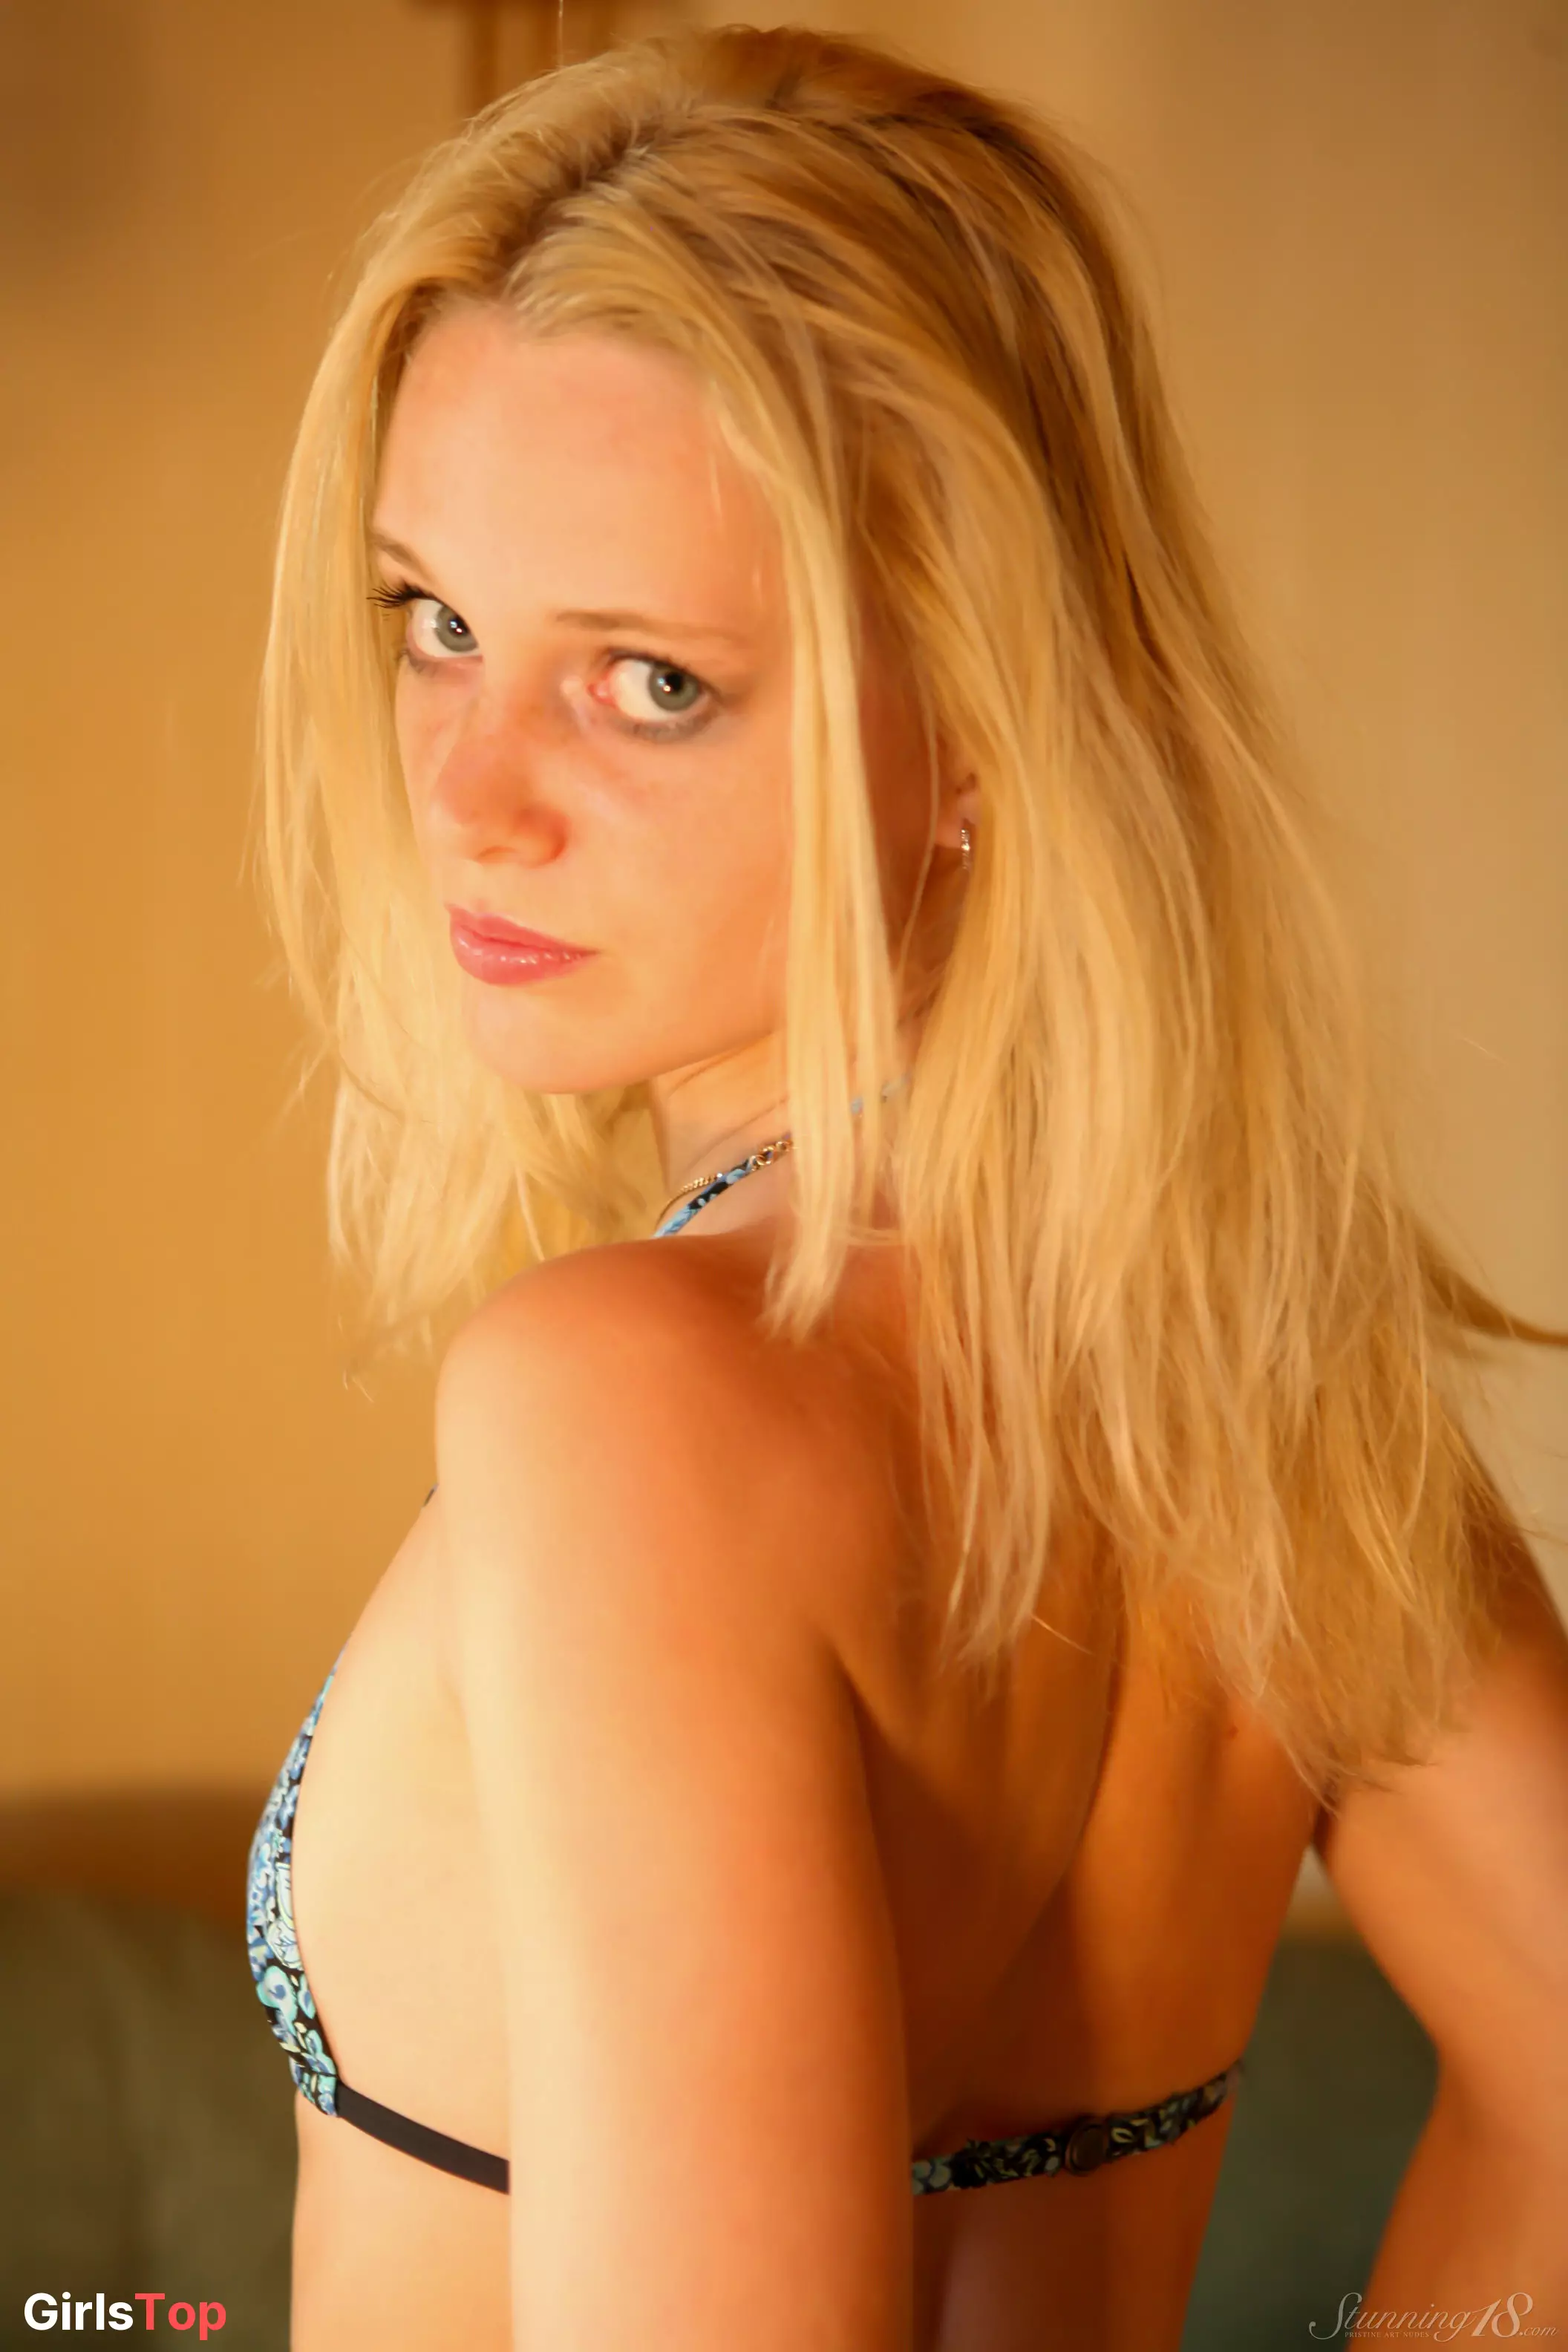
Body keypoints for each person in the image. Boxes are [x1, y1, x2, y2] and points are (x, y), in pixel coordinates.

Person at [244, 23, 1568, 2350]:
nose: (467, 794)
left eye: (646, 682)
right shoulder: (1258, 1360)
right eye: (434, 620)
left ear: (977, 718)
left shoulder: (631, 1401)